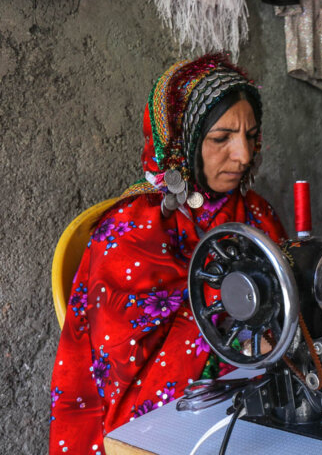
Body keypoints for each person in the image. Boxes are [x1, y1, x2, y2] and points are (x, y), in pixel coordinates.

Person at [49, 54, 287, 455]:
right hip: (172, 417)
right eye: (222, 138)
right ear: (183, 141)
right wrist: (241, 334)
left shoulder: (253, 210)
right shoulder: (130, 230)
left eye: (250, 136)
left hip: (249, 395)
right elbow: (120, 354)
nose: (243, 156)